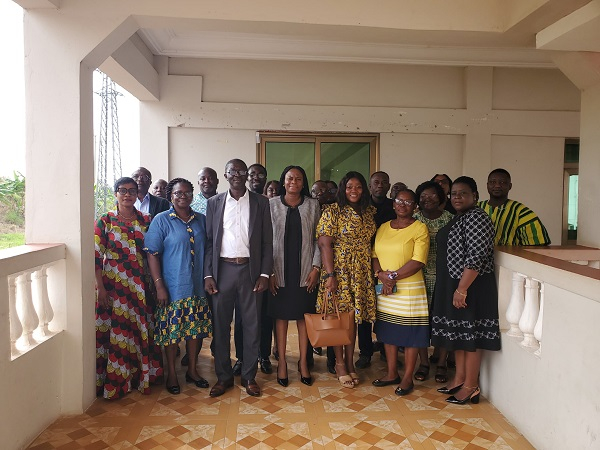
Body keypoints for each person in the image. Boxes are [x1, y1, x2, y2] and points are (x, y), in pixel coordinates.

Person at [204, 159, 273, 398]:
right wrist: (208, 274)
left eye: (241, 171)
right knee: (221, 326)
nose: (237, 175)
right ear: (225, 175)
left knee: (252, 325)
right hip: (222, 271)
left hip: (250, 271)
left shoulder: (261, 203)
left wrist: (265, 274)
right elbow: (209, 242)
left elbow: (266, 242)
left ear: (247, 175)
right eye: (232, 171)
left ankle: (248, 376)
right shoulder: (214, 203)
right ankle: (223, 377)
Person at [431, 176, 501, 404]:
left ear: (476, 196)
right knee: (459, 335)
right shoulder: (461, 218)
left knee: (471, 337)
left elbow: (477, 255)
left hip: (471, 287)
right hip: (457, 285)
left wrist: (461, 289)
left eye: (463, 193)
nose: (457, 197)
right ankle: (460, 378)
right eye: (454, 193)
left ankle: (471, 385)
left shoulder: (478, 218)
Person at [94, 177, 163, 399]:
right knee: (119, 332)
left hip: (141, 286)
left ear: (137, 194)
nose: (127, 195)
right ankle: (117, 382)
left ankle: (141, 377)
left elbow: (154, 252)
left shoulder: (146, 220)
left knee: (141, 329)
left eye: (132, 191)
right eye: (122, 191)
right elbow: (96, 257)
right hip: (114, 287)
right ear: (115, 193)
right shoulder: (106, 221)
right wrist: (101, 289)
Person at [144, 178, 213, 394]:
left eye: (187, 193)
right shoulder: (161, 220)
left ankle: (192, 370)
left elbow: (209, 250)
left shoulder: (201, 220)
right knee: (172, 333)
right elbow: (152, 254)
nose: (183, 196)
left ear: (193, 194)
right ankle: (172, 374)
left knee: (195, 331)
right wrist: (159, 285)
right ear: (170, 196)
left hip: (197, 287)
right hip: (172, 287)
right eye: (177, 193)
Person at [316, 171, 377, 389]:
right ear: (343, 189)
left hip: (361, 270)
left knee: (352, 320)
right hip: (339, 269)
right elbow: (324, 244)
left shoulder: (369, 211)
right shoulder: (332, 210)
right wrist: (331, 275)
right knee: (338, 319)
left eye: (359, 187)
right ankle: (340, 364)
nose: (354, 191)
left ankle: (351, 362)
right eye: (350, 186)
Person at [371, 188, 429, 395]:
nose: (403, 205)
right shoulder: (384, 227)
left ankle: (407, 378)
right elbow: (374, 254)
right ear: (393, 204)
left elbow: (418, 260)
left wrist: (392, 277)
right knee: (388, 332)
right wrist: (380, 274)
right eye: (399, 201)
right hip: (386, 290)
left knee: (410, 334)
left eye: (408, 202)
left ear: (415, 206)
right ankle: (392, 373)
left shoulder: (419, 228)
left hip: (409, 291)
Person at [269, 166, 321, 387]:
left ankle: (303, 363)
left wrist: (316, 268)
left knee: (303, 318)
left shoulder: (313, 205)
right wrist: (268, 271)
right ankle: (282, 362)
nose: (294, 182)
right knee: (280, 317)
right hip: (278, 271)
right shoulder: (270, 205)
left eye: (298, 179)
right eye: (290, 178)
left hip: (304, 271)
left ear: (303, 182)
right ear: (283, 180)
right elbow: (263, 240)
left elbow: (321, 239)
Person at [414, 181, 454, 383]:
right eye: (422, 196)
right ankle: (423, 363)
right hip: (417, 278)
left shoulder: (450, 220)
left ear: (441, 198)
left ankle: (441, 362)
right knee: (420, 322)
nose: (426, 199)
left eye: (431, 196)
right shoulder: (414, 220)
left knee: (443, 321)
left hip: (444, 277)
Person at [356, 171, 396, 370]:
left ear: (389, 186)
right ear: (370, 187)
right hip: (364, 266)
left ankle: (385, 344)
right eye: (376, 182)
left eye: (384, 182)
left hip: (388, 267)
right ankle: (365, 352)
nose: (380, 185)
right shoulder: (362, 207)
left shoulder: (394, 207)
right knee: (363, 309)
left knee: (386, 308)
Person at [478, 168, 551, 246]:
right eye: (492, 182)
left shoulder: (521, 212)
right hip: (477, 257)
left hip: (511, 258)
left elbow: (538, 245)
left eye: (502, 182)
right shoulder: (476, 208)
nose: (497, 185)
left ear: (510, 186)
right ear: (487, 185)